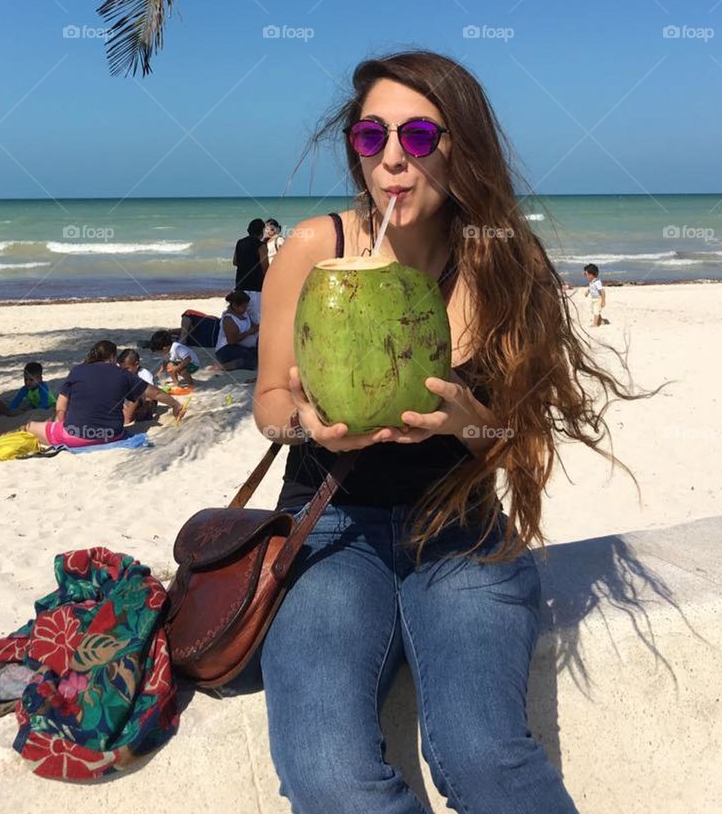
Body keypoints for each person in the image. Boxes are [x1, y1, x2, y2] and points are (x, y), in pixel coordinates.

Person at [252, 50, 653, 814]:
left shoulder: (505, 262)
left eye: (419, 135)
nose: (393, 159)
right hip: (333, 528)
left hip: (460, 530)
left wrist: (473, 423)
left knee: (483, 757)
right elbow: (270, 402)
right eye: (371, 138)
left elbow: (522, 438)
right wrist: (307, 425)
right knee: (328, 775)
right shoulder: (316, 249)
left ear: (460, 144)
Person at [23, 339, 183, 448]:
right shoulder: (123, 374)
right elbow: (153, 392)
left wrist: (61, 422)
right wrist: (175, 404)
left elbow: (61, 406)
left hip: (76, 435)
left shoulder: (77, 371)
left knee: (29, 426)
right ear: (113, 357)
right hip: (112, 435)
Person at [232, 218, 268, 322]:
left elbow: (235, 262)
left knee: (240, 318)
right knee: (256, 320)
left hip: (240, 286)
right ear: (261, 231)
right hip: (255, 288)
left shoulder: (240, 242)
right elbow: (265, 267)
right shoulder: (261, 246)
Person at [214, 290, 259, 371]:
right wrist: (249, 332)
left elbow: (253, 326)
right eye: (243, 307)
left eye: (246, 306)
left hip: (239, 346)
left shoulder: (244, 313)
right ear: (235, 305)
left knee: (259, 354)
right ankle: (221, 367)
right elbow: (232, 340)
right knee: (251, 361)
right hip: (225, 349)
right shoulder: (229, 319)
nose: (245, 309)